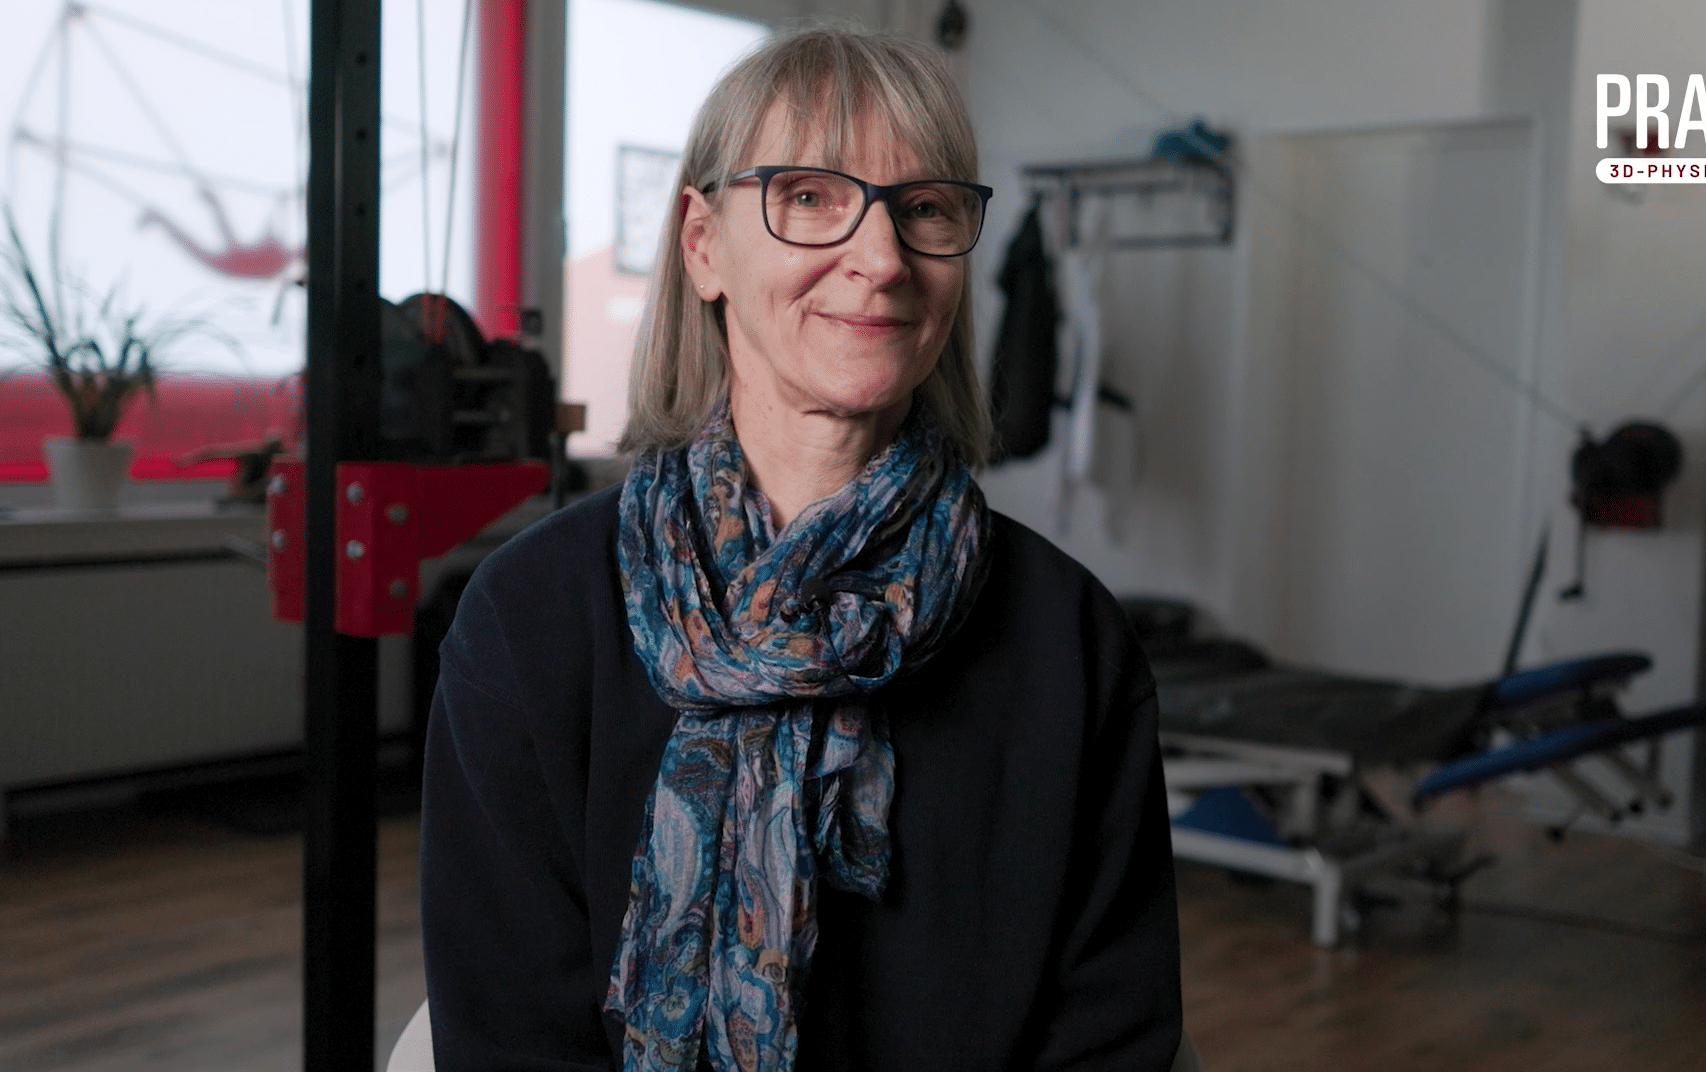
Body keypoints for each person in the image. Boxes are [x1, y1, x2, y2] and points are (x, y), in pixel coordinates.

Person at [421, 25, 1182, 1072]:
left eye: (924, 208)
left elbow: (1112, 1038)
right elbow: (509, 1039)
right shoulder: (531, 619)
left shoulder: (1069, 636)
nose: (882, 259)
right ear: (703, 245)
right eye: (811, 196)